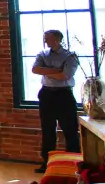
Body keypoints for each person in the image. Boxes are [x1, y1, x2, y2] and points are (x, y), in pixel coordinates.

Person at [32, 29, 81, 173]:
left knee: (70, 130)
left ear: (57, 39)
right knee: (47, 130)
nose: (45, 41)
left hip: (64, 95)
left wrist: (46, 70)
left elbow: (65, 75)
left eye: (48, 38)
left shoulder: (70, 55)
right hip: (47, 94)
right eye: (45, 38)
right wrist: (56, 70)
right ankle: (47, 163)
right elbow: (35, 69)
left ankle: (73, 165)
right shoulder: (42, 54)